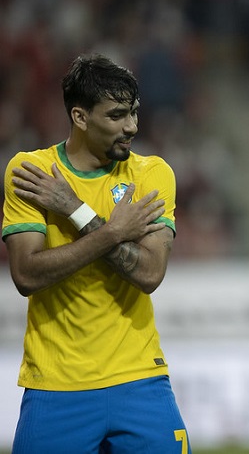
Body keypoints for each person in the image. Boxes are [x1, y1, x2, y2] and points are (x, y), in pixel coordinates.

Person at [3, 53, 191, 453]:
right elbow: (26, 275)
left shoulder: (152, 174)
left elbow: (148, 274)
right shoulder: (32, 173)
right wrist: (114, 233)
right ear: (80, 117)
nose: (132, 127)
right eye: (117, 116)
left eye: (134, 113)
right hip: (56, 384)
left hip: (139, 378)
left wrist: (75, 210)